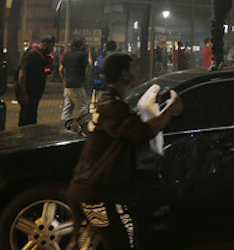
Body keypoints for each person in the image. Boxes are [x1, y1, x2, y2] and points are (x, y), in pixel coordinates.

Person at [68, 53, 183, 250]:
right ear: (125, 75)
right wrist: (170, 110)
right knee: (124, 241)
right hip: (101, 194)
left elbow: (131, 126)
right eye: (133, 68)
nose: (136, 71)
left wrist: (153, 108)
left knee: (87, 245)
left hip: (87, 190)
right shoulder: (112, 106)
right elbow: (141, 132)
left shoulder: (109, 102)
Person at [16, 35, 56, 127]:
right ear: (46, 45)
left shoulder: (41, 55)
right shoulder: (32, 54)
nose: (52, 49)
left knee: (31, 114)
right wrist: (23, 92)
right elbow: (22, 74)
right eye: (52, 46)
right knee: (26, 116)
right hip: (28, 91)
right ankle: (24, 135)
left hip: (34, 91)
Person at [60, 36, 91, 121]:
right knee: (83, 107)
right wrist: (88, 53)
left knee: (67, 108)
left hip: (68, 85)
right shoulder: (82, 55)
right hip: (77, 85)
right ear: (81, 45)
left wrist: (64, 80)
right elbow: (90, 65)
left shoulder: (67, 54)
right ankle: (84, 125)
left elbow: (60, 69)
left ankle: (62, 125)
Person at [92, 40, 117, 104]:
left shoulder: (100, 57)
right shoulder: (115, 57)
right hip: (109, 85)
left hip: (99, 84)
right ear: (115, 48)